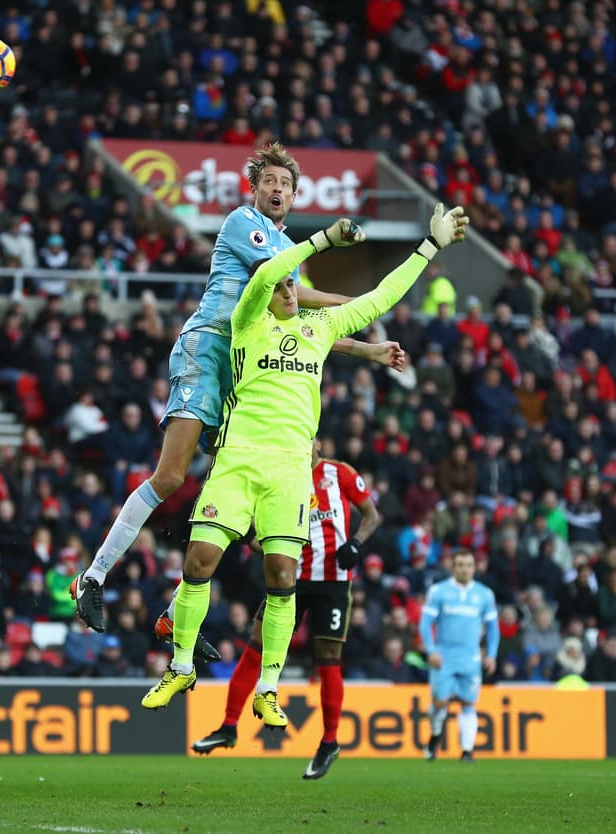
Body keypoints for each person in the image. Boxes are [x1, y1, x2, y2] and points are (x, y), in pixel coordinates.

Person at [140, 203, 469, 726]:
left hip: (292, 469)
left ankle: (268, 687)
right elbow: (269, 270)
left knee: (282, 575)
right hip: (239, 461)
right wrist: (320, 242)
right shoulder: (248, 322)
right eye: (282, 286)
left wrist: (429, 246)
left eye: (295, 286)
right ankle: (180, 665)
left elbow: (380, 298)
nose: (289, 290)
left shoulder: (321, 328)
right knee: (200, 559)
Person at [72, 143, 405, 640]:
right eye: (269, 181)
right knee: (170, 475)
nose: (277, 189)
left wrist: (367, 344)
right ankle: (92, 577)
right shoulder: (242, 225)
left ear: (295, 196)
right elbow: (293, 289)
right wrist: (361, 303)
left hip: (240, 368)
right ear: (254, 188)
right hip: (207, 351)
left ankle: (176, 613)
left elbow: (307, 328)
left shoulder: (285, 249)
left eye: (286, 184)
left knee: (240, 512)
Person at [189, 443, 381, 780]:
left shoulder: (340, 473)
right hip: (290, 580)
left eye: (310, 443)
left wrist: (356, 543)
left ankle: (329, 742)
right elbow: (256, 535)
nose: (305, 449)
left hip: (333, 582)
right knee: (257, 644)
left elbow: (372, 515)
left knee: (328, 657)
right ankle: (229, 725)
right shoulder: (280, 476)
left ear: (318, 443)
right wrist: (265, 543)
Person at [420, 550, 500, 761]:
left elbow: (493, 628)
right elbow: (425, 623)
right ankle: (435, 736)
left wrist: (491, 655)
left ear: (475, 567)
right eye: (461, 565)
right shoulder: (439, 591)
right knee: (439, 704)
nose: (465, 569)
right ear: (453, 567)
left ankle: (467, 751)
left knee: (468, 703)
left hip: (471, 658)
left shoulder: (484, 594)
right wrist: (431, 650)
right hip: (443, 656)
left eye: (469, 565)